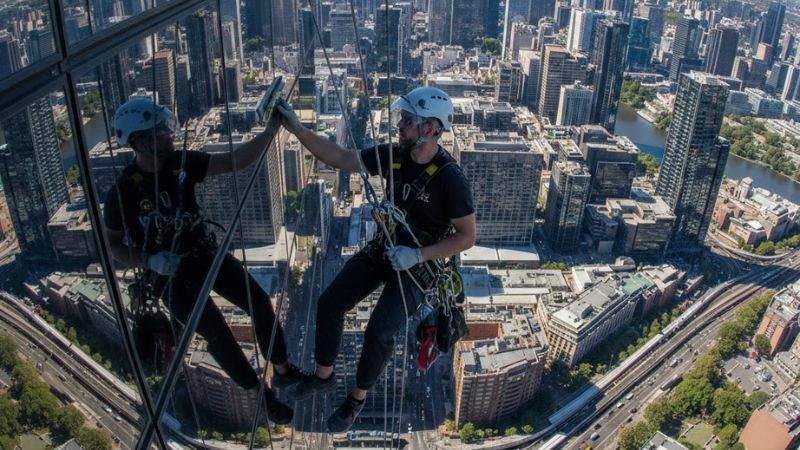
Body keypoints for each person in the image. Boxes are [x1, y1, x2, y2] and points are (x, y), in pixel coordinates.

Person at [275, 86, 475, 431]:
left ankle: (355, 400)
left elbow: (467, 237)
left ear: (429, 129)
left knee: (380, 329)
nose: (399, 125)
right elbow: (341, 157)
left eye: (407, 121)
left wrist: (418, 255)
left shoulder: (450, 179)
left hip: (418, 264)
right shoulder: (394, 155)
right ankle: (322, 377)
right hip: (387, 246)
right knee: (330, 302)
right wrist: (297, 128)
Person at [103, 98, 304, 424]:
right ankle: (261, 396)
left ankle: (283, 371)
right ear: (140, 142)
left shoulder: (180, 163)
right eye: (161, 133)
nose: (171, 136)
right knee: (217, 333)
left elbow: (236, 159)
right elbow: (113, 245)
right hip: (169, 275)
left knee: (259, 301)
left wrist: (270, 131)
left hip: (203, 255)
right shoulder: (122, 193)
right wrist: (149, 260)